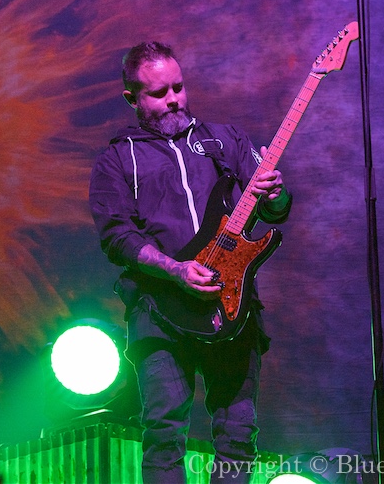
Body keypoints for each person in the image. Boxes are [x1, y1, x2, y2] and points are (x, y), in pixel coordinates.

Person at [89, 41, 292, 483]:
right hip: (160, 312)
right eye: (158, 93)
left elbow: (274, 209)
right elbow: (117, 237)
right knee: (164, 434)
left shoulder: (226, 140)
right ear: (132, 99)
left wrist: (275, 196)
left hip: (232, 304)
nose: (173, 100)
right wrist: (175, 270)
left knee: (238, 436)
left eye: (178, 87)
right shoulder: (117, 160)